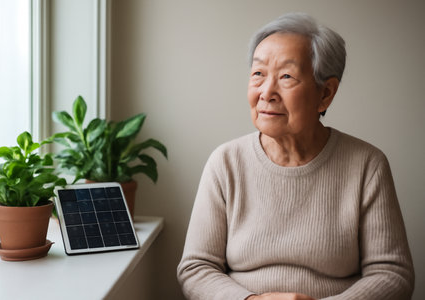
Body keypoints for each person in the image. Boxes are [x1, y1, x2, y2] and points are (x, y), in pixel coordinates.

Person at [177, 12, 415, 300]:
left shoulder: (366, 165)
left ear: (325, 94)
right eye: (258, 74)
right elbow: (196, 268)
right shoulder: (226, 162)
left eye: (286, 76)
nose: (266, 92)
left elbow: (392, 274)